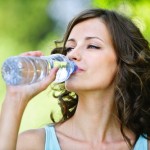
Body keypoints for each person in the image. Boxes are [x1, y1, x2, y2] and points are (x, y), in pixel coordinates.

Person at [0, 8, 150, 150]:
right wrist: (15, 98)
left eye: (92, 46)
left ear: (125, 61)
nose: (72, 55)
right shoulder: (33, 144)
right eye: (70, 47)